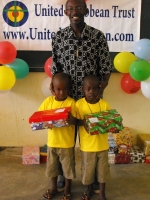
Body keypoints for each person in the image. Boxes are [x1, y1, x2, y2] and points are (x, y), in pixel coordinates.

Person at [51, 0, 113, 192]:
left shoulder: (97, 36)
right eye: (70, 8)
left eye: (78, 8)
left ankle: (93, 176)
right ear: (65, 12)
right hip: (66, 99)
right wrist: (54, 87)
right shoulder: (59, 37)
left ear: (86, 10)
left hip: (91, 99)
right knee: (64, 140)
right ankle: (62, 174)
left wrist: (103, 85)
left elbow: (106, 67)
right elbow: (56, 67)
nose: (74, 12)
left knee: (92, 140)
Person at [38, 72, 76, 200]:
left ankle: (67, 188)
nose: (61, 92)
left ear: (69, 88)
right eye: (58, 89)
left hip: (66, 143)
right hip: (52, 142)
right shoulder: (48, 101)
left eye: (65, 89)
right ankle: (54, 187)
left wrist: (72, 120)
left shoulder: (71, 103)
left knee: (68, 168)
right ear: (52, 88)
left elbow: (77, 119)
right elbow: (40, 117)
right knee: (52, 167)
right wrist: (45, 122)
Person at [75, 74, 111, 200]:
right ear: (83, 89)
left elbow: (109, 122)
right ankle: (89, 190)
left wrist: (114, 125)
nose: (91, 92)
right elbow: (75, 121)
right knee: (88, 170)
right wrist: (84, 122)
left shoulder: (105, 104)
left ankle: (102, 193)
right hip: (87, 146)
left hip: (102, 146)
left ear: (99, 89)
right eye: (88, 89)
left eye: (95, 89)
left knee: (102, 171)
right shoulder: (79, 104)